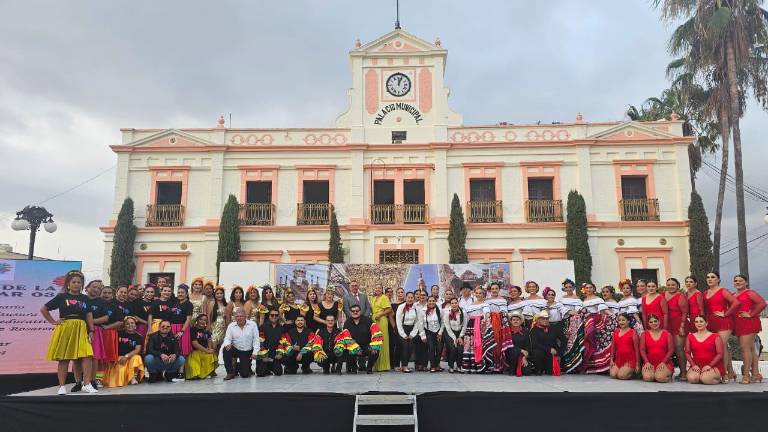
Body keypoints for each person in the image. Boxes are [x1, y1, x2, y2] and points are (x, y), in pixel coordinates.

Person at [40, 270, 97, 395]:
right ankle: (62, 386)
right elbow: (44, 309)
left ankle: (86, 384)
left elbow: (89, 314)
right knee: (64, 358)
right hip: (66, 327)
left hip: (81, 327)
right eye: (74, 282)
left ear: (82, 285)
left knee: (87, 355)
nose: (76, 284)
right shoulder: (62, 297)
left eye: (79, 282)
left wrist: (91, 330)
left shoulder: (84, 298)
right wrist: (53, 321)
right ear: (68, 284)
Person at [703, 271, 739, 382]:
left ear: (718, 280)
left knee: (722, 347)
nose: (710, 279)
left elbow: (736, 303)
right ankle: (730, 371)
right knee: (720, 348)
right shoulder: (705, 293)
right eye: (708, 277)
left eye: (713, 277)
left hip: (724, 322)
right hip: (711, 323)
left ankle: (723, 374)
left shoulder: (723, 291)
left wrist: (726, 313)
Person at [732, 274, 766, 384]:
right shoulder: (733, 294)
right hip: (739, 324)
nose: (737, 282)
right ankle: (755, 374)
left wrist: (751, 314)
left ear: (746, 282)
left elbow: (762, 303)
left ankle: (746, 376)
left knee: (744, 349)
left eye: (740, 281)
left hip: (749, 323)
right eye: (736, 281)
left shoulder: (750, 292)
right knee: (751, 349)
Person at [577, 282, 614, 374]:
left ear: (594, 289)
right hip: (587, 323)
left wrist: (613, 316)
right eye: (587, 288)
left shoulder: (598, 299)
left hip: (597, 322)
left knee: (599, 344)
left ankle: (602, 367)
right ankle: (592, 366)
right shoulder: (584, 300)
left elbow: (604, 310)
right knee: (589, 344)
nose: (588, 289)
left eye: (590, 287)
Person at [103, 316, 144, 387]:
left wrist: (126, 356)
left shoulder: (138, 336)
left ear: (135, 325)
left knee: (137, 358)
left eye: (132, 323)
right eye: (127, 324)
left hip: (130, 357)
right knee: (120, 371)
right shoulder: (118, 333)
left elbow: (137, 350)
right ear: (124, 325)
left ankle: (132, 378)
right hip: (119, 358)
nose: (130, 325)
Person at [92, 286, 120, 387]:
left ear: (112, 295)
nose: (106, 295)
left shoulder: (115, 307)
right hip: (95, 332)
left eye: (109, 293)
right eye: (104, 292)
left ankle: (100, 379)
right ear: (100, 293)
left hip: (108, 334)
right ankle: (90, 378)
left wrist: (108, 327)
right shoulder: (93, 303)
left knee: (105, 358)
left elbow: (120, 322)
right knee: (94, 357)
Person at [462, 287, 495, 373]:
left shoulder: (485, 305)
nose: (478, 295)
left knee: (479, 344)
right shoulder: (470, 305)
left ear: (483, 295)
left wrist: (485, 320)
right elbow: (466, 317)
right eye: (477, 293)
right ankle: (471, 366)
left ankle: (482, 365)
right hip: (470, 325)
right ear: (474, 294)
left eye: (480, 293)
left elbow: (486, 314)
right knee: (470, 344)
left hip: (480, 325)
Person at [344, 304, 384, 374]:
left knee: (375, 350)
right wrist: (355, 347)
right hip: (353, 346)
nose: (355, 312)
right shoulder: (347, 323)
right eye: (353, 311)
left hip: (366, 345)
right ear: (350, 312)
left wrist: (374, 345)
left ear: (360, 311)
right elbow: (346, 338)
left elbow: (376, 333)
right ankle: (354, 368)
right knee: (346, 350)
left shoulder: (368, 320)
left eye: (357, 311)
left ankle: (369, 368)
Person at [222, 308, 260, 380]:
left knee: (245, 374)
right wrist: (227, 344)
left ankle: (238, 366)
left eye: (241, 316)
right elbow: (227, 338)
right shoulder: (231, 326)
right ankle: (230, 372)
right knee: (226, 350)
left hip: (247, 351)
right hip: (237, 350)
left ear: (245, 316)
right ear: (234, 317)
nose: (239, 318)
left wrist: (255, 352)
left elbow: (256, 339)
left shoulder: (252, 325)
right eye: (237, 316)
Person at [685, 315, 725, 385]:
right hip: (697, 365)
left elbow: (720, 354)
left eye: (701, 321)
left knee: (705, 379)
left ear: (706, 323)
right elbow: (687, 353)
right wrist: (693, 365)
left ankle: (718, 379)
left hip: (713, 365)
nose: (698, 323)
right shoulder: (690, 336)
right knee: (692, 379)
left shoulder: (715, 336)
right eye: (696, 322)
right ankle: (701, 376)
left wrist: (710, 365)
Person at [664, 277, 689, 380]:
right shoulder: (662, 295)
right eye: (668, 284)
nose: (671, 286)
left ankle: (683, 373)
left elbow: (684, 312)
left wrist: (682, 326)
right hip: (667, 325)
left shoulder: (680, 296)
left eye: (673, 284)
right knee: (669, 349)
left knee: (679, 349)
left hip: (679, 324)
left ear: (677, 285)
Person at [529, 310, 566, 375]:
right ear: (538, 320)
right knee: (536, 352)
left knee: (550, 372)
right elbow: (534, 344)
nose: (545, 320)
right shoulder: (534, 329)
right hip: (541, 352)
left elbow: (564, 340)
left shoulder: (555, 328)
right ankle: (538, 369)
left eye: (547, 319)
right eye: (543, 319)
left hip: (552, 353)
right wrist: (549, 349)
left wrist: (559, 354)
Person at [639, 314, 674, 383]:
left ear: (659, 321)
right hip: (650, 362)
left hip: (664, 363)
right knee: (648, 378)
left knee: (660, 378)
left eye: (655, 321)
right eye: (651, 322)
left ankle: (667, 375)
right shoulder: (644, 334)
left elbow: (671, 350)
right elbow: (642, 350)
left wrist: (663, 362)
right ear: (648, 324)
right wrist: (646, 362)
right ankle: (654, 373)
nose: (654, 323)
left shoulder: (667, 334)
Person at [485, 282, 512, 372]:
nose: (494, 290)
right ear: (490, 290)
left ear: (499, 290)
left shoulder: (503, 300)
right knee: (490, 341)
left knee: (499, 342)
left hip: (499, 323)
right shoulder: (486, 300)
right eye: (492, 289)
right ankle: (490, 364)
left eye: (496, 288)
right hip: (490, 323)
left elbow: (504, 312)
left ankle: (499, 365)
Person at [395, 292, 424, 373]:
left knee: (410, 347)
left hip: (411, 329)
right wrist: (403, 334)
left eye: (412, 298)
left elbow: (418, 322)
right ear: (406, 298)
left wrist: (412, 334)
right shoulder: (401, 307)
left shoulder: (416, 308)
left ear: (414, 299)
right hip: (402, 329)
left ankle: (405, 364)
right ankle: (404, 366)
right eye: (409, 297)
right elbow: (398, 322)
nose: (410, 299)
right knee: (405, 346)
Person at [558, 278, 583, 373]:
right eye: (566, 287)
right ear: (564, 288)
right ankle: (564, 365)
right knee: (564, 342)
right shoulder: (562, 299)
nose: (568, 288)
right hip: (564, 322)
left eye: (570, 287)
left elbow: (578, 311)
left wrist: (573, 313)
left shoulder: (577, 299)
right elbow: (560, 309)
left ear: (573, 287)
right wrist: (569, 312)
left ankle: (573, 365)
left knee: (573, 342)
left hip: (574, 323)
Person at [185, 314, 218, 380]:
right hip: (194, 352)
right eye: (201, 319)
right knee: (194, 363)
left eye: (205, 320)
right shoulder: (192, 329)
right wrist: (207, 350)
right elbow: (195, 344)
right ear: (197, 320)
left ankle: (209, 372)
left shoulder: (206, 330)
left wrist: (210, 348)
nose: (202, 321)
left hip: (204, 351)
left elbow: (209, 339)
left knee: (211, 355)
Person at [609, 314, 639, 380]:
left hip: (630, 360)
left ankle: (633, 372)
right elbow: (613, 347)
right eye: (619, 320)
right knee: (613, 375)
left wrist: (637, 364)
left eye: (623, 320)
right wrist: (611, 360)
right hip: (618, 359)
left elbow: (637, 349)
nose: (621, 322)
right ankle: (623, 370)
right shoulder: (616, 331)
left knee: (621, 376)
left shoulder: (633, 332)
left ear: (628, 321)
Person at [257, 309, 284, 377]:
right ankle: (265, 368)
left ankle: (269, 367)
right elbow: (260, 342)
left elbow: (282, 342)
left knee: (278, 372)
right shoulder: (262, 327)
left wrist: (279, 353)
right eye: (272, 315)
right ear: (269, 316)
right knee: (261, 373)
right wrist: (263, 356)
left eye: (276, 315)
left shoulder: (281, 328)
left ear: (278, 317)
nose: (274, 317)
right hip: (264, 355)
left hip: (275, 356)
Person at [370, 283, 392, 371]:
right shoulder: (373, 298)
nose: (377, 289)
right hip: (374, 320)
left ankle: (384, 365)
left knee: (382, 341)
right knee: (375, 341)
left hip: (382, 320)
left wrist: (380, 314)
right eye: (376, 288)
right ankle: (375, 364)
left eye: (379, 288)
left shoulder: (384, 297)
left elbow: (389, 309)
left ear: (382, 289)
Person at [442, 298, 467, 373]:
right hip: (450, 332)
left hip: (460, 333)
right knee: (452, 348)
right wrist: (454, 338)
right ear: (450, 304)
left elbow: (464, 326)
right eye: (452, 303)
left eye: (455, 303)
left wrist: (460, 336)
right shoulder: (447, 313)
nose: (454, 305)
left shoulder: (463, 312)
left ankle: (459, 366)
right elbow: (447, 327)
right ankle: (451, 366)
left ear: (458, 303)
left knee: (460, 349)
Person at [504, 311, 532, 376]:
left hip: (522, 355)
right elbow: (508, 346)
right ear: (511, 321)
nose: (515, 321)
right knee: (513, 351)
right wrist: (521, 350)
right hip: (511, 354)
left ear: (520, 321)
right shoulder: (508, 331)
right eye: (514, 320)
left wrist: (525, 356)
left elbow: (528, 344)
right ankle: (511, 368)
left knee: (527, 372)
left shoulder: (525, 331)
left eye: (517, 320)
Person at [170, 284, 193, 356]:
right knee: (173, 349)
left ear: (186, 294)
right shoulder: (175, 302)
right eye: (179, 292)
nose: (180, 294)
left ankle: (182, 367)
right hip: (173, 327)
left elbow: (188, 319)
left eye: (182, 292)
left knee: (183, 350)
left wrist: (182, 331)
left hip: (183, 328)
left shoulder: (189, 304)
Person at [423, 296, 443, 372]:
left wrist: (440, 333)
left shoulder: (439, 310)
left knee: (439, 348)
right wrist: (423, 335)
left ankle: (437, 364)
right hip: (428, 331)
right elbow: (420, 323)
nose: (431, 302)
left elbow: (443, 322)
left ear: (435, 302)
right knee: (431, 348)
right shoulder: (423, 310)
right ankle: (432, 366)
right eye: (430, 301)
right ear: (427, 302)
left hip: (438, 331)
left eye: (433, 301)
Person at [388, 287, 406, 369]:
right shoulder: (393, 305)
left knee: (404, 347)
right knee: (395, 346)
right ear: (396, 294)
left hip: (405, 328)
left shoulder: (407, 304)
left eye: (402, 292)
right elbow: (391, 317)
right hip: (395, 328)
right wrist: (394, 327)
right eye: (399, 292)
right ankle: (395, 364)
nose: (400, 294)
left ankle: (404, 364)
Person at [208, 286, 228, 354]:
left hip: (223, 328)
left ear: (223, 294)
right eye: (217, 293)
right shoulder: (212, 303)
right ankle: (212, 363)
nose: (219, 295)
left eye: (221, 293)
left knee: (220, 347)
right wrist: (208, 326)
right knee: (214, 347)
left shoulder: (226, 304)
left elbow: (227, 317)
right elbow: (208, 315)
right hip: (214, 327)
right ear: (215, 294)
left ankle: (216, 363)